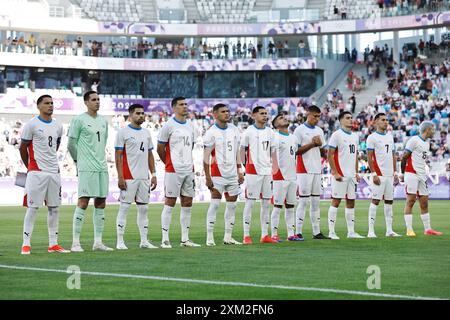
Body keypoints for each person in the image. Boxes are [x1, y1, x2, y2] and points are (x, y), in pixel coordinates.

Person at [19, 95, 69, 254]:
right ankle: (26, 243)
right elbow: (23, 148)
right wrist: (30, 166)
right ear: (39, 106)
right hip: (36, 171)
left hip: (54, 171)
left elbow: (56, 145)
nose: (50, 106)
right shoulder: (31, 124)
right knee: (33, 207)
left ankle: (53, 244)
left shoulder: (58, 125)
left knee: (54, 208)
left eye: (52, 103)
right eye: (47, 103)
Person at [68, 91, 113, 252]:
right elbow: (71, 144)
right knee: (83, 201)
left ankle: (98, 242)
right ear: (86, 102)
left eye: (98, 99)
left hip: (101, 166)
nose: (97, 102)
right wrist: (77, 161)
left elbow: (103, 142)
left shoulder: (103, 121)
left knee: (101, 202)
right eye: (93, 100)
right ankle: (75, 243)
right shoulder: (79, 120)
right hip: (86, 166)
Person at [157, 97, 200, 248]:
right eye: (181, 105)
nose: (185, 107)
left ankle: (185, 239)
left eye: (186, 104)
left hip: (189, 169)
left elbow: (191, 146)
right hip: (173, 170)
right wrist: (169, 163)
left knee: (187, 202)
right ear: (174, 108)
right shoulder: (168, 126)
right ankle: (165, 239)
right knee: (170, 202)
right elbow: (160, 149)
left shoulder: (191, 126)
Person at [115, 104, 158, 250]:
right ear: (131, 115)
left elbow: (150, 154)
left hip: (144, 177)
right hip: (128, 176)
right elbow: (118, 156)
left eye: (143, 113)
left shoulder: (146, 133)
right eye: (138, 113)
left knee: (144, 209)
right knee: (124, 208)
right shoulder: (123, 132)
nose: (141, 116)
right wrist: (120, 176)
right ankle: (120, 241)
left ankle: (144, 241)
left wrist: (154, 174)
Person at [203, 103, 244, 246]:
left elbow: (237, 153)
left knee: (232, 206)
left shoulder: (234, 130)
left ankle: (228, 237)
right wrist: (207, 177)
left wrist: (240, 171)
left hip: (233, 174)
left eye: (227, 111)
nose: (227, 114)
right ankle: (209, 237)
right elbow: (206, 157)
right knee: (214, 205)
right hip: (217, 174)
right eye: (223, 112)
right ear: (215, 114)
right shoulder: (211, 132)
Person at [240, 106, 277, 244]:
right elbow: (242, 149)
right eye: (262, 113)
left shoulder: (270, 132)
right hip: (253, 171)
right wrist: (245, 167)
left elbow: (273, 152)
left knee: (266, 203)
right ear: (254, 115)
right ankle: (246, 235)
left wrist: (274, 167)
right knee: (250, 203)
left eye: (266, 114)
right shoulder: (249, 131)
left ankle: (264, 235)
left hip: (267, 171)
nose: (265, 116)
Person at [401, 121, 443, 237]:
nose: (434, 131)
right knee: (410, 201)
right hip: (411, 174)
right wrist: (402, 173)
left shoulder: (426, 143)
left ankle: (428, 229)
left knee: (424, 202)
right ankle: (409, 229)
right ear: (427, 129)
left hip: (422, 175)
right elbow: (404, 156)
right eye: (433, 129)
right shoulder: (414, 140)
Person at [294, 105, 330, 240]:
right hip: (304, 169)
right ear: (308, 114)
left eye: (319, 117)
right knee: (303, 202)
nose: (317, 119)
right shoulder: (299, 130)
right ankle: (297, 231)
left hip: (316, 169)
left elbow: (321, 152)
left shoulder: (320, 130)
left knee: (315, 202)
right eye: (315, 116)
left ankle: (316, 232)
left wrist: (320, 147)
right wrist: (312, 144)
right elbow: (296, 151)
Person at [327, 111, 364, 239]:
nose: (350, 120)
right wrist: (335, 172)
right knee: (336, 201)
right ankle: (331, 232)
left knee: (351, 202)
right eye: (347, 118)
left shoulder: (355, 136)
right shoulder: (336, 135)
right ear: (341, 120)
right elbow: (330, 154)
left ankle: (351, 232)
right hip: (340, 175)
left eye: (351, 118)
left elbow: (355, 156)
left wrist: (356, 172)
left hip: (351, 175)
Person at [366, 113, 401, 238]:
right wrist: (374, 173)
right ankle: (371, 231)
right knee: (375, 201)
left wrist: (395, 172)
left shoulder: (390, 137)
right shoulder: (372, 138)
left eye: (387, 120)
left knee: (389, 202)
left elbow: (393, 156)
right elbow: (369, 157)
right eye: (383, 120)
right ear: (376, 122)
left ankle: (389, 230)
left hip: (390, 175)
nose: (386, 122)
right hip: (379, 174)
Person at [270, 113, 302, 242]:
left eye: (284, 117)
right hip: (280, 176)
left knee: (290, 206)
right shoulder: (275, 137)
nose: (284, 118)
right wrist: (276, 172)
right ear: (276, 124)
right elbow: (272, 156)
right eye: (280, 118)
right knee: (277, 206)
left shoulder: (293, 138)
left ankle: (291, 234)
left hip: (292, 176)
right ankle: (274, 234)